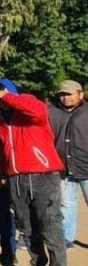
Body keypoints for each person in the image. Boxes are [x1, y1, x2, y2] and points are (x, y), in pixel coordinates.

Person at [0, 79, 69, 266]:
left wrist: (7, 96)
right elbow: (4, 149)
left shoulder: (30, 107)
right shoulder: (1, 120)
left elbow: (38, 109)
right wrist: (4, 171)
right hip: (16, 178)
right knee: (28, 229)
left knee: (50, 227)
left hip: (43, 176)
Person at [48, 79, 87, 249]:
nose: (65, 98)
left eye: (69, 94)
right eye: (62, 94)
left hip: (86, 165)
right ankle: (67, 238)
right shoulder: (51, 112)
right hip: (63, 166)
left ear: (80, 94)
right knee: (66, 204)